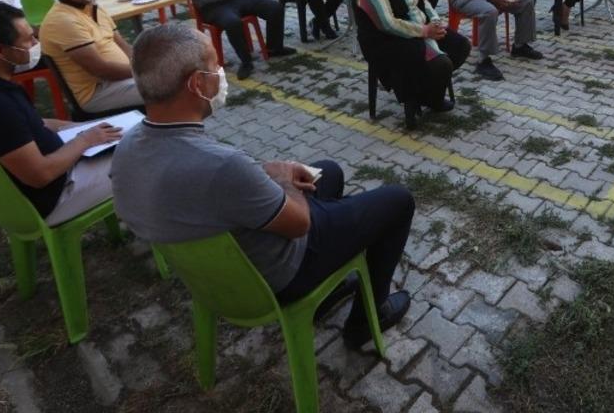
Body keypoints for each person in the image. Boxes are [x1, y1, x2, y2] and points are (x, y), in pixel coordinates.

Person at [111, 24, 415, 349]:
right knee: (398, 200)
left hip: (217, 273)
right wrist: (284, 179)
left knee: (328, 172)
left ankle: (327, 290)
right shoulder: (222, 165)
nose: (221, 71)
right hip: (279, 272)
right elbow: (299, 225)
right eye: (215, 64)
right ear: (197, 84)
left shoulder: (127, 147)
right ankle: (365, 323)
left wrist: (267, 173)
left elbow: (211, 185)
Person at [0, 2, 122, 224]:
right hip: (54, 196)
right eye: (28, 39)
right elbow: (40, 175)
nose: (37, 44)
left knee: (128, 141)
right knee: (141, 159)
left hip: (58, 175)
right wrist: (84, 139)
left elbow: (35, 123)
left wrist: (86, 128)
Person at [352, 0, 472, 127]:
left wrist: (434, 21)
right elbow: (387, 23)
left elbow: (422, 1)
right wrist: (425, 31)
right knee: (440, 64)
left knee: (460, 45)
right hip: (385, 40)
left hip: (415, 28)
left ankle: (425, 93)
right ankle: (422, 98)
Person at [41, 0, 145, 111]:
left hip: (122, 79)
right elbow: (102, 70)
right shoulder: (63, 20)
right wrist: (147, 71)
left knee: (180, 77)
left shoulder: (93, 7)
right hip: (98, 92)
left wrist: (143, 64)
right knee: (174, 88)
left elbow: (123, 46)